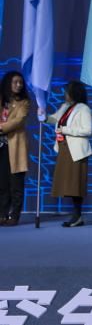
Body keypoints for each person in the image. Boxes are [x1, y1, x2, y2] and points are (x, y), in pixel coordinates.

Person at [48, 80, 92, 227]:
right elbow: (54, 118)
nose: (65, 94)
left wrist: (66, 130)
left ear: (74, 93)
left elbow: (87, 130)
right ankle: (76, 214)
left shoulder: (83, 109)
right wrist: (44, 117)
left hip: (76, 151)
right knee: (68, 183)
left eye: (67, 92)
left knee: (75, 184)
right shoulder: (65, 107)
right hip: (64, 149)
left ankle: (77, 215)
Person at [0, 71, 32, 227]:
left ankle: (15, 215)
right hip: (1, 147)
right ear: (8, 83)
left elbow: (18, 121)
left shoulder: (24, 102)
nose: (19, 85)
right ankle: (2, 214)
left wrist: (1, 128)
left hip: (15, 147)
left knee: (16, 184)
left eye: (20, 82)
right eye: (15, 82)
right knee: (2, 184)